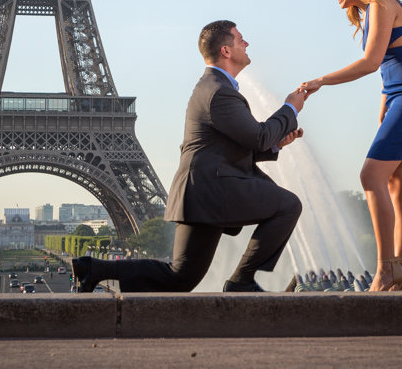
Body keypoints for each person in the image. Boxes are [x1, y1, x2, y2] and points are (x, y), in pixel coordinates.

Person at [72, 19, 307, 293]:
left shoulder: (214, 88)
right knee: (288, 205)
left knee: (181, 277)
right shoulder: (219, 92)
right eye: (240, 39)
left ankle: (94, 269)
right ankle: (242, 281)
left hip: (200, 190)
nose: (247, 43)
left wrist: (276, 144)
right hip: (212, 189)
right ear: (226, 51)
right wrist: (290, 108)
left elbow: (233, 146)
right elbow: (257, 136)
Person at [300, 0, 402, 291]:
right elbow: (389, 65)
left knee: (370, 176)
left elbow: (371, 62)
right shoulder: (376, 8)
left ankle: (386, 269)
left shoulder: (379, 3)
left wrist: (322, 80)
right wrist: (384, 106)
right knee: (397, 185)